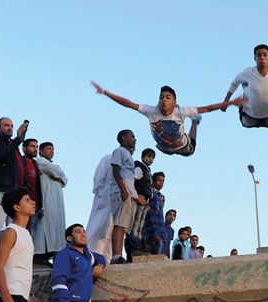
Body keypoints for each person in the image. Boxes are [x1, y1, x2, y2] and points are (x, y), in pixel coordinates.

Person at [91, 82, 242, 156]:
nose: (164, 100)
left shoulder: (181, 111)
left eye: (168, 97)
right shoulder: (151, 111)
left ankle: (195, 122)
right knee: (167, 148)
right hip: (163, 148)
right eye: (161, 97)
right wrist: (105, 92)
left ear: (174, 102)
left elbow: (208, 108)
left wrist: (231, 103)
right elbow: (128, 104)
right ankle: (188, 127)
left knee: (192, 145)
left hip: (183, 147)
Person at [0, 118, 29, 272]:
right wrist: (17, 139)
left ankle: (11, 260)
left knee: (14, 227)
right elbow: (2, 156)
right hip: (0, 189)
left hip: (14, 192)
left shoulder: (13, 146)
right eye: (6, 125)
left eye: (11, 125)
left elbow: (20, 168)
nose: (9, 128)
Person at [110, 130, 145, 264]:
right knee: (119, 224)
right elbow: (116, 171)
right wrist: (123, 190)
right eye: (132, 136)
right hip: (120, 192)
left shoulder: (129, 156)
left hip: (129, 194)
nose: (134, 139)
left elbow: (129, 179)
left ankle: (119, 255)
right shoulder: (119, 151)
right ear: (123, 138)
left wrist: (135, 197)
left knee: (124, 226)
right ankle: (116, 256)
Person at [34, 142, 68, 264]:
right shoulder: (39, 161)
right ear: (41, 151)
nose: (51, 151)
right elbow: (56, 172)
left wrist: (59, 177)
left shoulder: (50, 164)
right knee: (44, 226)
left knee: (56, 226)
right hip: (45, 200)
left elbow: (65, 178)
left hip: (56, 201)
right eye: (48, 149)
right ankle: (40, 254)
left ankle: (52, 253)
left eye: (52, 149)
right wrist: (59, 176)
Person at [128, 149, 155, 256]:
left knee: (140, 226)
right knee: (135, 224)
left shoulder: (148, 171)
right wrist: (136, 196)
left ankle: (138, 247)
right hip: (140, 199)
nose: (150, 159)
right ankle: (134, 248)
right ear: (143, 157)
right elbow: (132, 180)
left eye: (152, 157)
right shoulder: (139, 168)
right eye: (148, 156)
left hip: (146, 202)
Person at [86, 155, 113, 263]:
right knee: (98, 229)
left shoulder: (127, 164)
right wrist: (100, 192)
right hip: (103, 198)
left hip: (115, 202)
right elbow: (99, 175)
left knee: (109, 232)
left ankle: (106, 260)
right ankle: (91, 257)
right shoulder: (108, 158)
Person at [21, 139, 44, 260]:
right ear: (24, 148)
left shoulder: (35, 164)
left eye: (36, 146)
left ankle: (29, 258)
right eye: (32, 146)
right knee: (21, 230)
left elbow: (38, 186)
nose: (35, 149)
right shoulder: (21, 162)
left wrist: (41, 206)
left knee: (32, 232)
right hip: (23, 203)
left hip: (35, 205)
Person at [143, 172, 165, 255]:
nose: (161, 183)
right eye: (159, 180)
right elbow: (151, 214)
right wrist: (155, 233)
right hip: (150, 232)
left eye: (163, 181)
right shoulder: (150, 193)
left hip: (160, 232)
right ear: (153, 181)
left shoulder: (161, 196)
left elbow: (160, 215)